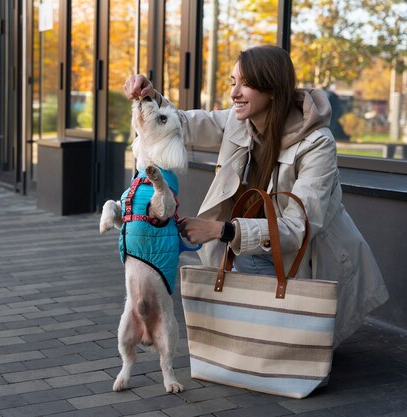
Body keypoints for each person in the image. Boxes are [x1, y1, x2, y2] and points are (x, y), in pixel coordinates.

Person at [122, 45, 389, 348]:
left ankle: (270, 346)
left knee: (282, 339)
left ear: (272, 89)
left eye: (245, 84)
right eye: (232, 82)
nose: (234, 92)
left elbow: (298, 227)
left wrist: (221, 230)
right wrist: (150, 97)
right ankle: (258, 344)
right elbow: (183, 124)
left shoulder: (317, 144)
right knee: (244, 299)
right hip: (255, 246)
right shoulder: (240, 120)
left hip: (305, 256)